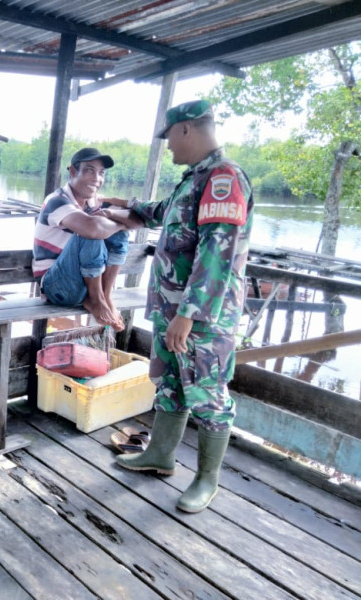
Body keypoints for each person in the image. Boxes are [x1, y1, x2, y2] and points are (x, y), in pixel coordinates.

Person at [107, 99, 254, 513]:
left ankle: (207, 480)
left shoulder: (223, 178)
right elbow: (163, 214)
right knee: (170, 384)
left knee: (208, 395)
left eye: (169, 136)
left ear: (186, 129)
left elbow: (216, 254)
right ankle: (160, 455)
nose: (168, 146)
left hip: (202, 318)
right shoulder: (194, 179)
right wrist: (123, 208)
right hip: (173, 312)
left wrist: (188, 316)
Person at [32, 148, 130, 330]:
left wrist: (116, 206)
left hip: (83, 283)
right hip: (57, 286)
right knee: (92, 229)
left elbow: (138, 215)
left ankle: (105, 295)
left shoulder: (95, 203)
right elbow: (91, 229)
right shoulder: (56, 200)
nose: (96, 178)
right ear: (73, 171)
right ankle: (96, 299)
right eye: (89, 170)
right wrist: (122, 222)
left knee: (114, 230)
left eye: (101, 173)